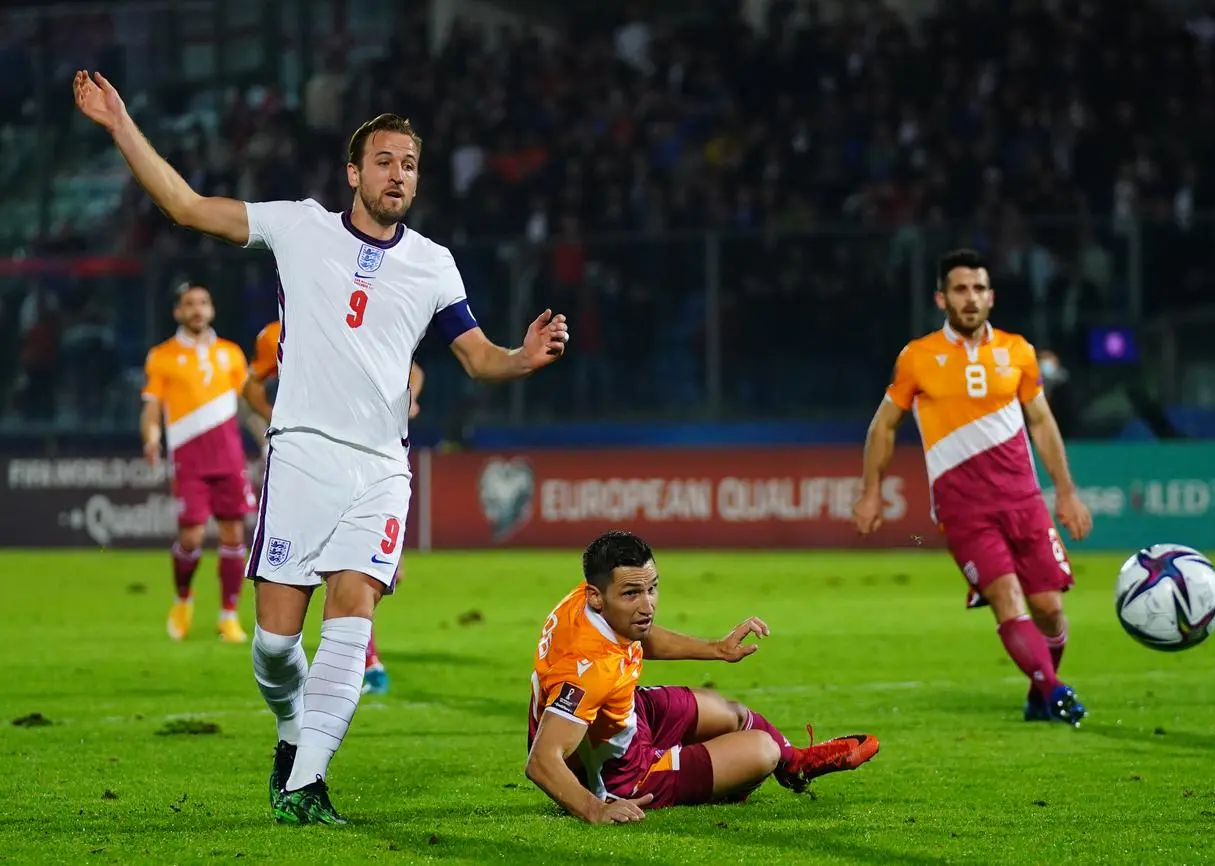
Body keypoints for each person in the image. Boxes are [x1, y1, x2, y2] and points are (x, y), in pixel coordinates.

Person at [74, 71, 569, 825]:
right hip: (302, 456)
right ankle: (290, 734)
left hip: (380, 469)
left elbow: (475, 356)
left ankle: (306, 784)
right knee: (274, 650)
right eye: (384, 160)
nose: (398, 173)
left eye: (409, 163)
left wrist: (520, 356)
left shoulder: (434, 263)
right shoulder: (298, 225)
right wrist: (119, 124)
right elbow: (183, 205)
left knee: (353, 609)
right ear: (353, 173)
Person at [853, 249, 1093, 725]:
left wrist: (1065, 490)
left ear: (991, 296)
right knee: (1007, 597)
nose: (971, 298)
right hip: (964, 510)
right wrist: (870, 490)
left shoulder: (1018, 351)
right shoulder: (917, 358)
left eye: (979, 289)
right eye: (960, 290)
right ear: (942, 298)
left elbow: (1041, 423)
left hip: (1024, 500)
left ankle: (1038, 690)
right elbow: (883, 427)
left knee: (1048, 608)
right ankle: (1057, 691)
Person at [526, 530, 880, 823]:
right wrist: (594, 808)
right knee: (762, 750)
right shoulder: (588, 671)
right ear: (597, 597)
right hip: (621, 773)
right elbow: (542, 762)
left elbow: (640, 635)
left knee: (731, 713)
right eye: (632, 594)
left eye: (652, 588)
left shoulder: (587, 601)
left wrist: (717, 649)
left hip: (623, 717)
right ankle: (716, 776)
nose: (647, 605)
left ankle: (796, 765)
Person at [244, 319, 424, 696]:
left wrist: (407, 400)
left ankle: (360, 660)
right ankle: (358, 662)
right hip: (300, 462)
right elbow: (250, 384)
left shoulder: (355, 311)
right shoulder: (277, 330)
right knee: (304, 575)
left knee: (361, 568)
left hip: (361, 458)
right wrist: (274, 417)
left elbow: (413, 368)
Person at [141, 282, 255, 644]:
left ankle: (228, 616)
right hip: (190, 460)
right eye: (190, 304)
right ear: (178, 312)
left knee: (234, 535)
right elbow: (152, 406)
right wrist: (152, 438)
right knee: (190, 537)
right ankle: (183, 600)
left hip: (229, 459)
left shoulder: (231, 354)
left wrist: (269, 435)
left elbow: (248, 405)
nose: (197, 309)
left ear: (212, 310)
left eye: (204, 303)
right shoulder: (162, 356)